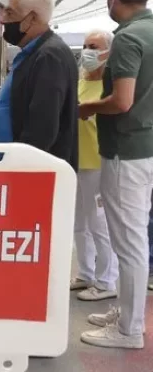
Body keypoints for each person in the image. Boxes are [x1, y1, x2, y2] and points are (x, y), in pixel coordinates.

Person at [79, 0, 153, 350]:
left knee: (129, 243)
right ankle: (127, 314)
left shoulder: (127, 38)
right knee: (134, 237)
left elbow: (121, 101)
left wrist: (88, 109)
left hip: (124, 151)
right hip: (145, 148)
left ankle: (129, 330)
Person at [0, 0, 79, 170]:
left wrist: (19, 169)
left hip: (24, 174)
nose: (2, 20)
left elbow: (42, 128)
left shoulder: (49, 56)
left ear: (31, 18)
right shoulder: (34, 53)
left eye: (10, 14)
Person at [70, 29, 119, 303]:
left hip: (97, 161)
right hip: (76, 159)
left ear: (108, 52)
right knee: (79, 222)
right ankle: (86, 273)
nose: (88, 51)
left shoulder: (110, 86)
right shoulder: (82, 80)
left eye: (95, 46)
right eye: (86, 45)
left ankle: (106, 279)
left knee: (99, 222)